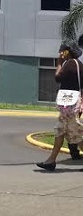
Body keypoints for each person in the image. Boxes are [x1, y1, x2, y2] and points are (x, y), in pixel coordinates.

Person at [37, 43, 83, 171]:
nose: (61, 53)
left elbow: (58, 77)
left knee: (76, 133)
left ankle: (51, 161)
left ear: (69, 51)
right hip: (70, 105)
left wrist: (59, 64)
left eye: (63, 51)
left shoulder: (70, 63)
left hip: (70, 106)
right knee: (60, 130)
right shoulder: (78, 64)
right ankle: (51, 161)